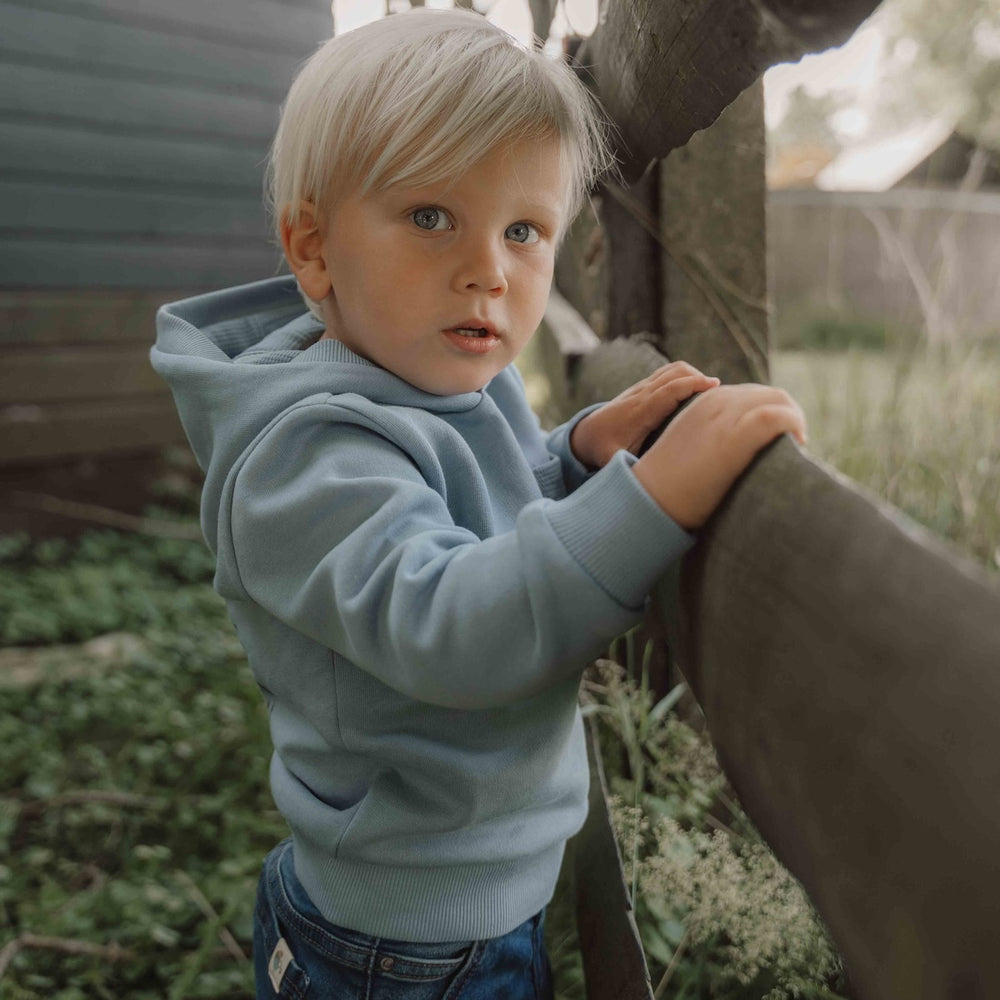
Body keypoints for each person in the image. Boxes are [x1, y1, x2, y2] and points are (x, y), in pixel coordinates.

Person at [150, 8, 807, 998]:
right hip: (403, 949)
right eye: (429, 216)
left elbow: (465, 509)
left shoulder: (435, 370)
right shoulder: (305, 457)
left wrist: (574, 459)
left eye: (523, 229)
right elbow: (456, 623)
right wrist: (653, 501)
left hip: (444, 911)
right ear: (315, 248)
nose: (487, 269)